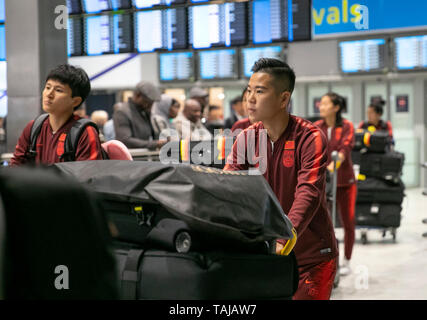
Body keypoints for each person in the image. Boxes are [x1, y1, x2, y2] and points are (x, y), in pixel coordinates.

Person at [224, 58, 338, 300]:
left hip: (311, 257)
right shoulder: (245, 138)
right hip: (264, 256)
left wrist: (283, 238)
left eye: (260, 91)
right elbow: (227, 186)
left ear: (284, 99)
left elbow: (308, 193)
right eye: (249, 90)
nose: (250, 99)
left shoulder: (310, 138)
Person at [10, 64, 103, 166]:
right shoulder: (34, 128)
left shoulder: (85, 132)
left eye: (58, 90)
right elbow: (15, 166)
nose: (49, 94)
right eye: (48, 87)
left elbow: (89, 176)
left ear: (75, 101)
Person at [314, 92, 357, 277]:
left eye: (325, 104)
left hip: (345, 183)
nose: (320, 107)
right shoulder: (317, 127)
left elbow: (344, 150)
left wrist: (331, 168)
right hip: (324, 183)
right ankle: (328, 258)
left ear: (336, 107)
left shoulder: (347, 126)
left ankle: (347, 260)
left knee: (348, 221)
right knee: (324, 222)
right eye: (320, 104)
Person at [113, 81, 167, 150]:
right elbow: (125, 140)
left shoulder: (144, 111)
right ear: (138, 95)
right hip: (132, 158)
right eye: (147, 102)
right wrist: (155, 144)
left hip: (144, 157)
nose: (150, 106)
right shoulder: (122, 112)